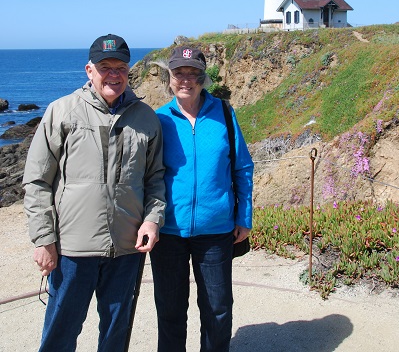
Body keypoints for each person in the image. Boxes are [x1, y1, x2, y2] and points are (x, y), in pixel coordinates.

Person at [23, 34, 166, 352]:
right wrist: (44, 239)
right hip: (72, 249)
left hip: (127, 248)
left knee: (116, 334)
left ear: (129, 72)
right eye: (105, 67)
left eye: (121, 67)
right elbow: (36, 182)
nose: (114, 74)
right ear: (89, 70)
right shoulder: (62, 112)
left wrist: (153, 220)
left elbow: (156, 178)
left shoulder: (146, 118)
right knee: (61, 331)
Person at [150, 46, 254, 352]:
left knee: (218, 310)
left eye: (193, 73)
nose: (186, 80)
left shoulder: (224, 113)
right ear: (169, 78)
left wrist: (243, 217)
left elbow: (242, 167)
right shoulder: (158, 120)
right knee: (170, 312)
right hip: (169, 231)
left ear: (202, 77)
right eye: (179, 73)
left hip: (216, 230)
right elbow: (146, 176)